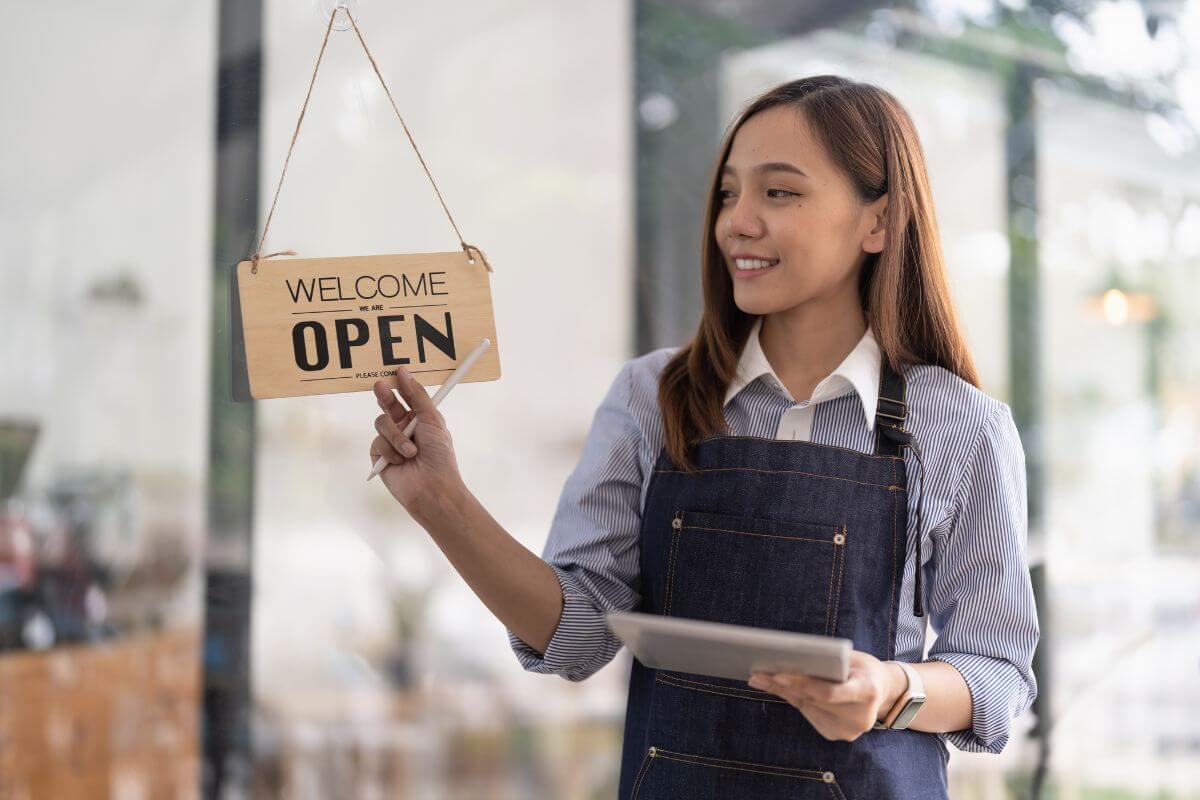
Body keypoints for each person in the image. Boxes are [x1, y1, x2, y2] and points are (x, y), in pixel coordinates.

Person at [367, 75, 1039, 799]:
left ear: (877, 222)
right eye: (727, 194)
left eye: (778, 193)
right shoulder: (652, 398)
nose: (735, 223)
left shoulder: (962, 427)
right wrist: (443, 502)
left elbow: (998, 672)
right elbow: (580, 634)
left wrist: (891, 689)